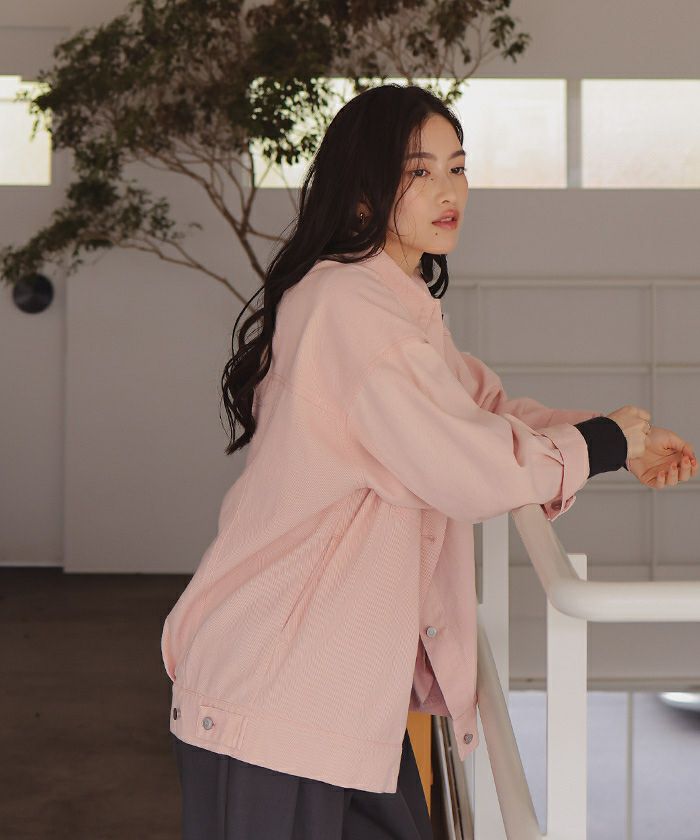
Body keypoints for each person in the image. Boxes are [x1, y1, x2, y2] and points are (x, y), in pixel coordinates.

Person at [161, 83, 697, 839]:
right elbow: (464, 463)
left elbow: (478, 411)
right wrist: (601, 443)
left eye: (458, 167)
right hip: (280, 690)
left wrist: (615, 439)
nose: (449, 192)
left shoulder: (391, 299)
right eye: (419, 171)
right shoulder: (349, 308)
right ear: (363, 190)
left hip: (337, 691)